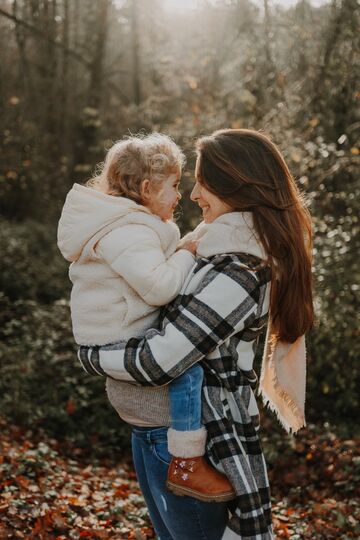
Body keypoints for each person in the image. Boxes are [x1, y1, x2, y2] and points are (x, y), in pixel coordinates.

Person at [78, 128, 314, 540]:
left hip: (198, 441)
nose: (192, 196)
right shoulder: (213, 247)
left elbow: (161, 360)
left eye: (202, 183)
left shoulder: (241, 270)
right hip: (156, 433)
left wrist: (91, 356)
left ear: (234, 187)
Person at [57, 133, 234, 504]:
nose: (180, 195)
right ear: (145, 188)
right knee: (188, 371)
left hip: (113, 330)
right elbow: (159, 287)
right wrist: (187, 251)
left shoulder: (128, 225)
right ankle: (187, 462)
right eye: (173, 186)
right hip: (117, 334)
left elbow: (159, 264)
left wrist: (190, 242)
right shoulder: (127, 231)